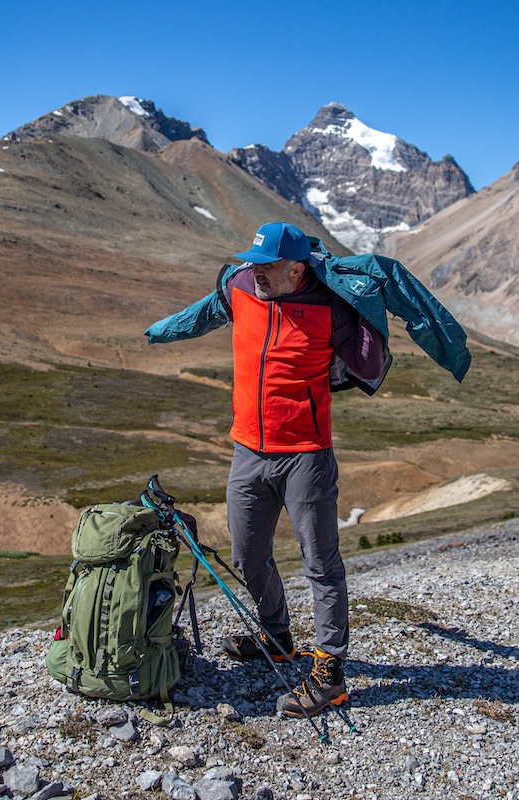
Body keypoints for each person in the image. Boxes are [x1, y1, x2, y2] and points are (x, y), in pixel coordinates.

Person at [150, 221, 387, 717]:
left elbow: (369, 365)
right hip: (248, 452)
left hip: (306, 453)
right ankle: (277, 638)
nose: (255, 271)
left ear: (296, 269)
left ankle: (330, 673)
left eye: (267, 265)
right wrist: (159, 331)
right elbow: (203, 315)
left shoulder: (329, 306)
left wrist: (367, 306)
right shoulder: (240, 286)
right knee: (247, 554)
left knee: (321, 563)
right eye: (252, 261)